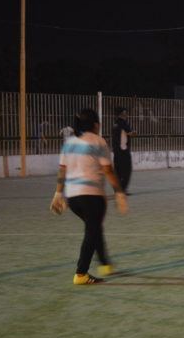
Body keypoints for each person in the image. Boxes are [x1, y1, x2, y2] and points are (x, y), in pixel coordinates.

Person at [51, 108, 129, 285]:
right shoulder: (98, 142)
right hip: (92, 196)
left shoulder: (69, 143)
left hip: (73, 198)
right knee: (92, 231)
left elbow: (62, 170)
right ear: (95, 124)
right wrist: (119, 192)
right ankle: (81, 273)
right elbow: (108, 170)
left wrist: (57, 193)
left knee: (94, 227)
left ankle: (105, 264)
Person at [111, 107, 136, 194]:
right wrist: (133, 132)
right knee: (127, 170)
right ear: (121, 113)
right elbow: (130, 133)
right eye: (124, 112)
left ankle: (117, 189)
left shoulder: (115, 123)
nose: (126, 114)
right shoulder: (123, 123)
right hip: (123, 150)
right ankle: (122, 189)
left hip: (116, 150)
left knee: (117, 170)